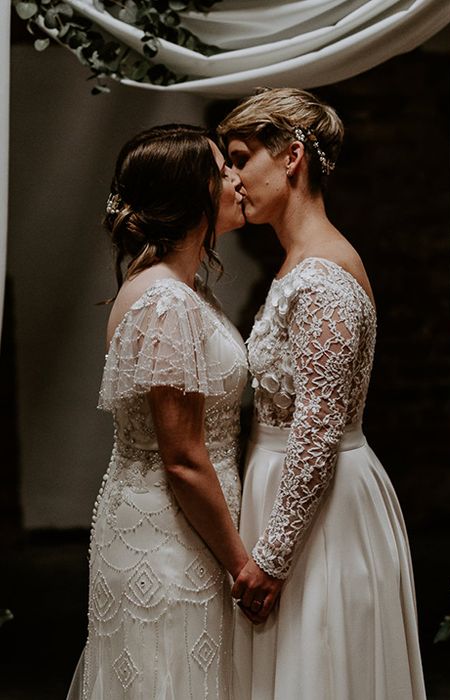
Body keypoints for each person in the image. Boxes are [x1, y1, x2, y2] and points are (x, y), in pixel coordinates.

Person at [219, 88, 427, 699]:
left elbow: (318, 427)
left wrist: (273, 558)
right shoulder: (295, 262)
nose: (232, 177)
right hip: (282, 488)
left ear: (291, 157)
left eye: (239, 157)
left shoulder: (324, 277)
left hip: (319, 509)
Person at [67, 124, 262, 699]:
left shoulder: (176, 288)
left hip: (176, 522)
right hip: (170, 533)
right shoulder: (166, 300)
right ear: (190, 191)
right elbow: (181, 456)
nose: (235, 179)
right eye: (220, 169)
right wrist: (241, 565)